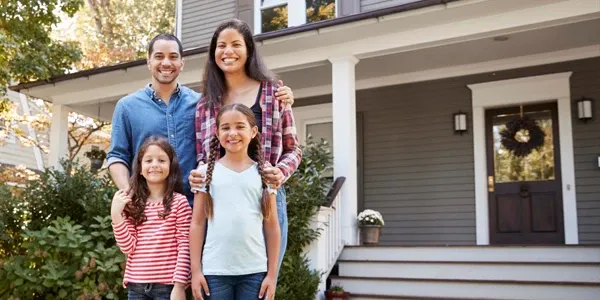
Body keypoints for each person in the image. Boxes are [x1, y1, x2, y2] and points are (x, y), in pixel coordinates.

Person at [107, 33, 295, 206]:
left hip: (196, 204)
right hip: (148, 206)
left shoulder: (203, 103)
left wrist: (283, 96)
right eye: (159, 56)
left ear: (182, 63)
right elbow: (117, 156)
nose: (166, 62)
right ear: (148, 61)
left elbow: (235, 116)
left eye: (173, 57)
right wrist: (128, 192)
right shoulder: (127, 107)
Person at [189, 19, 301, 274]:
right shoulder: (205, 104)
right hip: (219, 201)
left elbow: (293, 149)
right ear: (213, 53)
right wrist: (198, 172)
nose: (228, 51)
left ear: (249, 50)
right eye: (221, 46)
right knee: (218, 279)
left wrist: (280, 173)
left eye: (236, 44)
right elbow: (202, 157)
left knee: (264, 279)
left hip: (265, 197)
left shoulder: (274, 92)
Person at [189, 104, 281, 300]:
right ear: (217, 132)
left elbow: (272, 226)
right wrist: (196, 271)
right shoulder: (205, 174)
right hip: (215, 272)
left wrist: (272, 275)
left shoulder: (265, 174)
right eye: (226, 127)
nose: (233, 133)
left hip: (254, 271)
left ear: (253, 131)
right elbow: (197, 223)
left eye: (240, 126)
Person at [111, 136, 191, 300]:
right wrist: (116, 215)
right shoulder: (133, 205)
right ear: (140, 168)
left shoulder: (179, 203)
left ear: (171, 166)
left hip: (167, 287)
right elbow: (127, 247)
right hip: (136, 286)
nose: (154, 165)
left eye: (161, 160)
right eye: (148, 160)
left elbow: (185, 247)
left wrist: (179, 286)